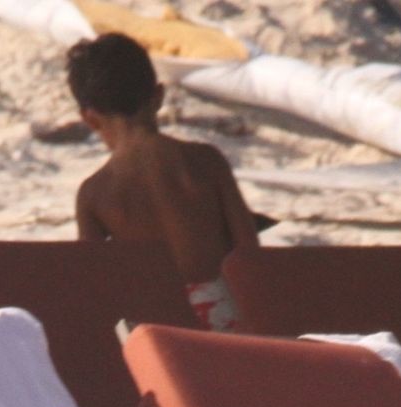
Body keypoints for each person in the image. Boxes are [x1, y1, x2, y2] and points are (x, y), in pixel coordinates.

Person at [67, 33, 260, 331]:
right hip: (227, 318)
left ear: (90, 118)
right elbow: (249, 254)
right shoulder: (206, 161)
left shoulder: (94, 194)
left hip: (160, 328)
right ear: (158, 96)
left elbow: (93, 285)